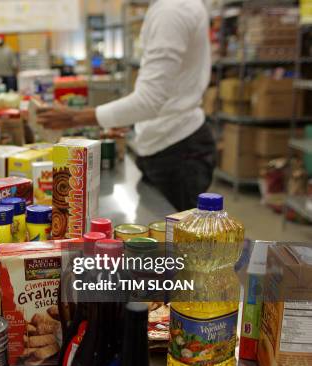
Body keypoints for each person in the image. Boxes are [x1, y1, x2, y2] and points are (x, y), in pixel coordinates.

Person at [38, 0, 213, 212]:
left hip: (176, 150)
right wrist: (130, 121)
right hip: (168, 142)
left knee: (175, 241)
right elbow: (170, 91)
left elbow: (149, 100)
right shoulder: (174, 7)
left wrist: (73, 117)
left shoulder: (171, 10)